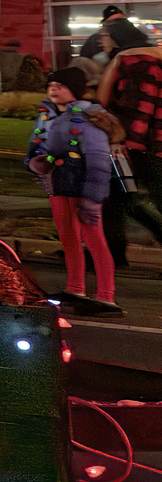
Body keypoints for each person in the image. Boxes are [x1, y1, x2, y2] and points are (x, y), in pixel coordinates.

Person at [28, 67, 124, 315]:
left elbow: (98, 161)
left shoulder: (91, 118)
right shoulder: (47, 115)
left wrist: (92, 197)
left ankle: (106, 296)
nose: (53, 89)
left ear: (73, 90)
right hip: (58, 185)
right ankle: (75, 288)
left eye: (60, 85)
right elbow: (36, 148)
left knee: (95, 240)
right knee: (68, 238)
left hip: (83, 190)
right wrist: (36, 163)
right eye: (51, 85)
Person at [96, 17, 162, 264]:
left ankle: (112, 256)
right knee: (124, 199)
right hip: (150, 146)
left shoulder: (133, 62)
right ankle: (112, 255)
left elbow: (137, 108)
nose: (101, 41)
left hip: (133, 147)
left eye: (104, 36)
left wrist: (120, 142)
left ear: (117, 37)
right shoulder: (149, 59)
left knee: (120, 199)